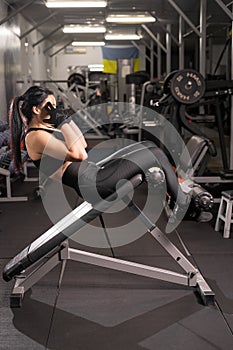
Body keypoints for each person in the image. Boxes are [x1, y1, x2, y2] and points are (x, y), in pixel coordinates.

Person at [10, 86, 189, 221]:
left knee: (148, 145)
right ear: (36, 109)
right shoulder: (35, 136)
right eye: (51, 106)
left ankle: (175, 201)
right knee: (155, 153)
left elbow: (82, 143)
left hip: (94, 175)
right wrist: (63, 124)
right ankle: (182, 204)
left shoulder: (44, 130)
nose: (54, 110)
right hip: (93, 184)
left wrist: (66, 121)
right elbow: (80, 155)